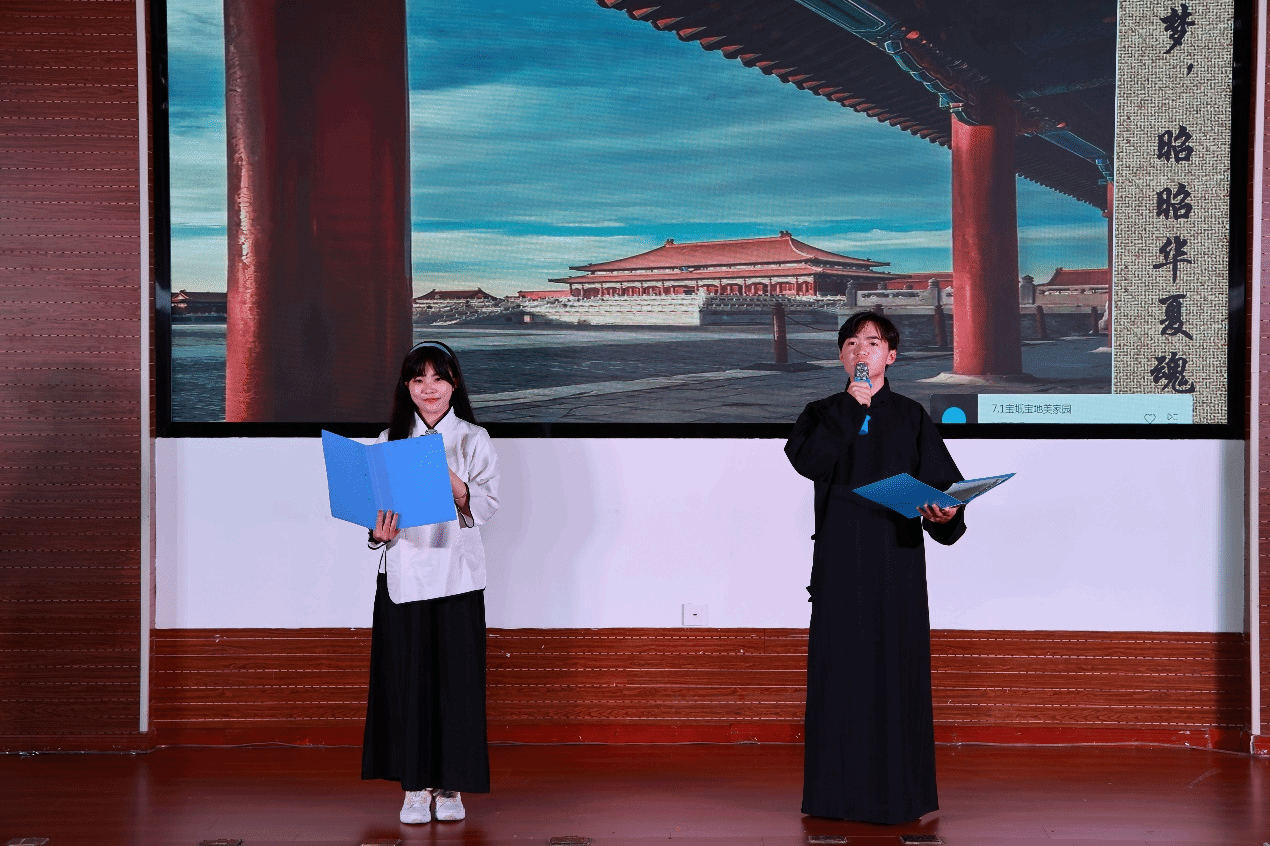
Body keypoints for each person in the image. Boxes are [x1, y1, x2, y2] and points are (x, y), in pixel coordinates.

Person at [784, 311, 965, 825]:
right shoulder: (821, 413)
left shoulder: (911, 416)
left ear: (892, 355)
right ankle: (835, 798)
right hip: (840, 562)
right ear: (842, 357)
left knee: (896, 677)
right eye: (851, 343)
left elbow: (943, 492)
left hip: (896, 563)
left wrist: (946, 514)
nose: (861, 350)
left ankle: (898, 797)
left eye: (873, 342)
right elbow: (809, 463)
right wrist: (852, 406)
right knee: (839, 678)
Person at [362, 340, 500, 825]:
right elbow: (375, 516)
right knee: (408, 684)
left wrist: (456, 485)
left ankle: (450, 785)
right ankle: (415, 787)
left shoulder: (474, 438)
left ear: (454, 384)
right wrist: (377, 534)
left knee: (457, 684)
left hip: (458, 577)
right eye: (418, 379)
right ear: (407, 387)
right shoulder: (388, 440)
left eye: (438, 378)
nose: (429, 388)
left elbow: (487, 507)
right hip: (405, 577)